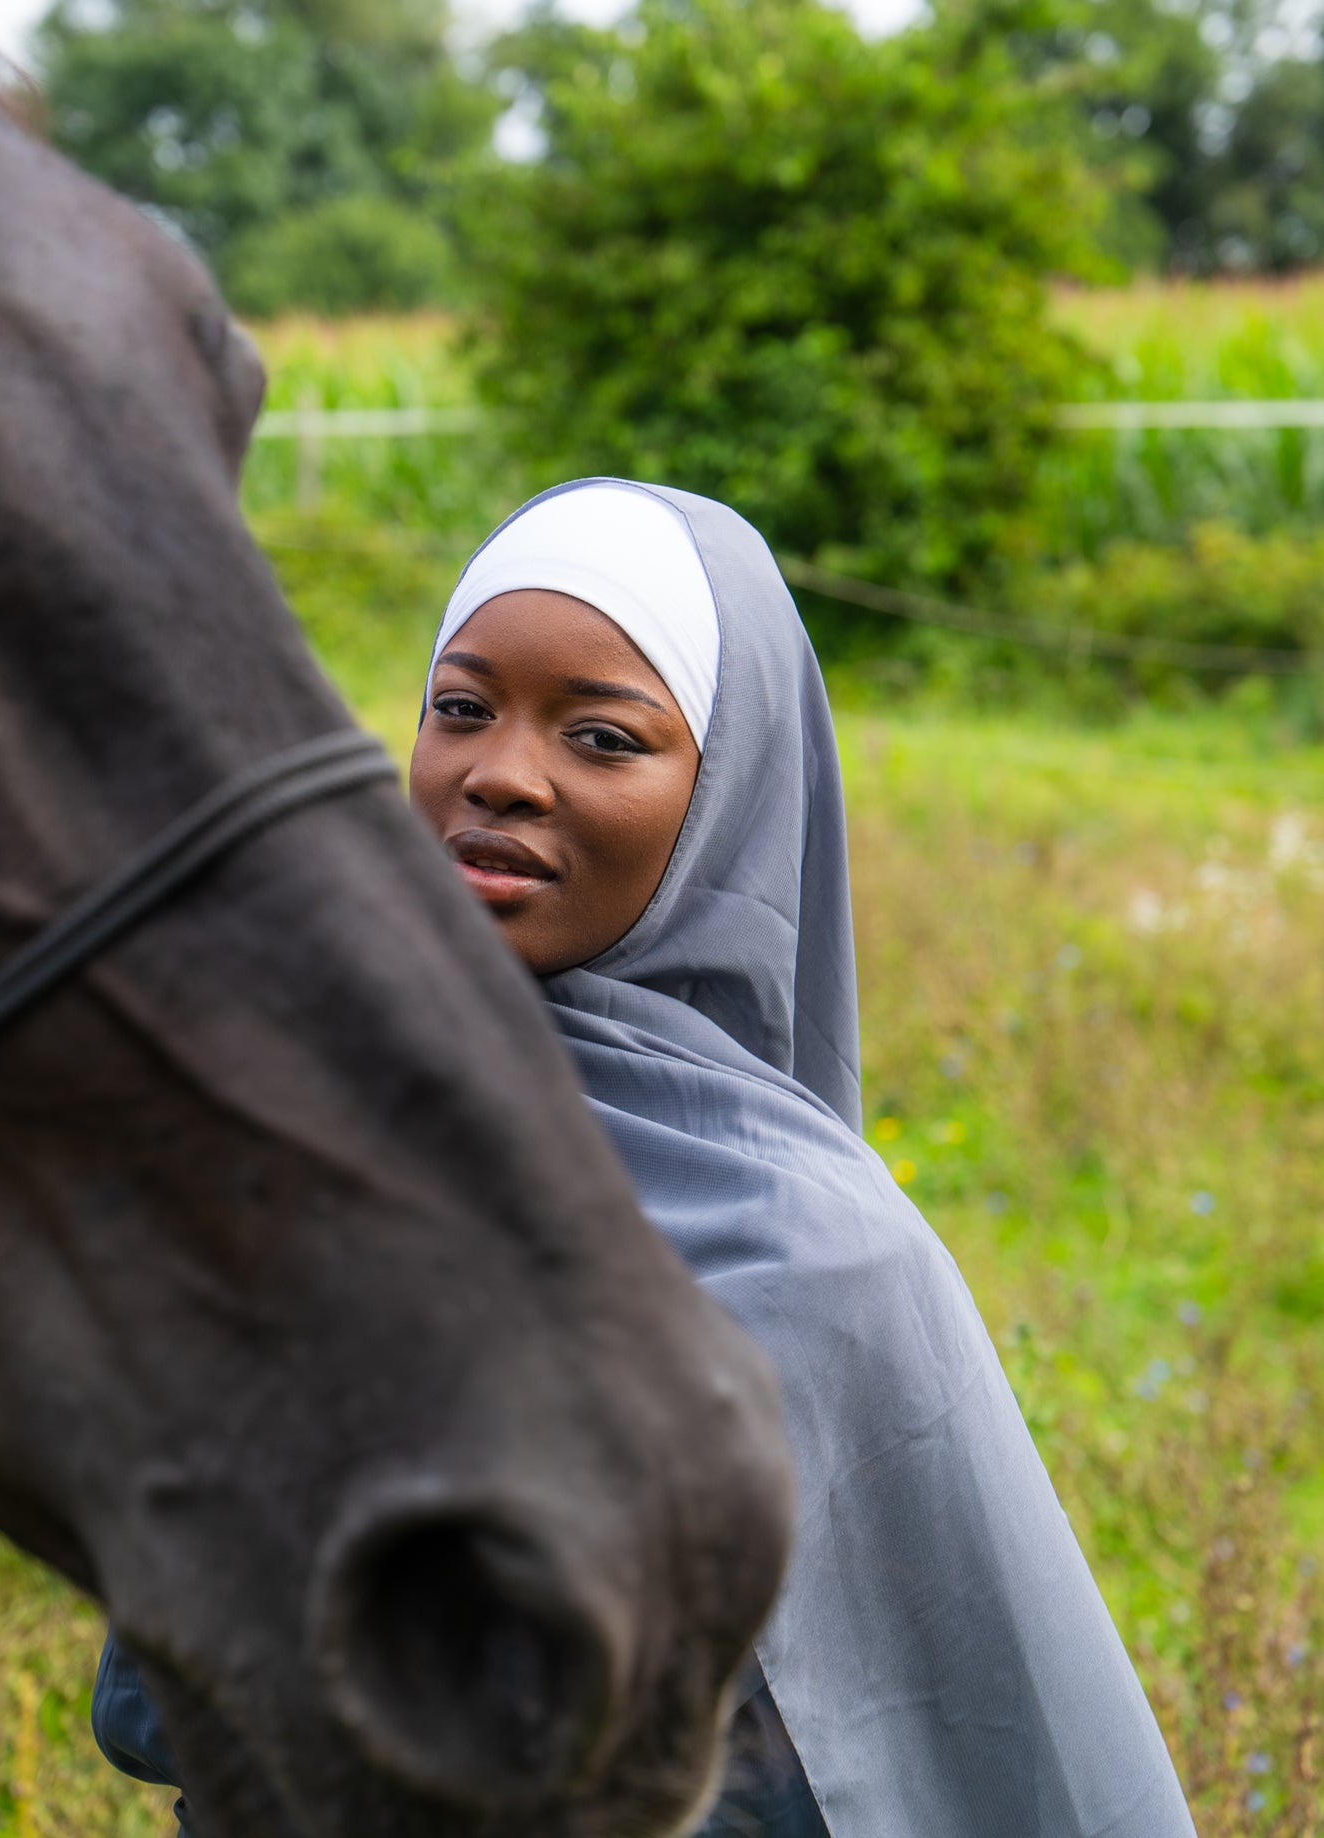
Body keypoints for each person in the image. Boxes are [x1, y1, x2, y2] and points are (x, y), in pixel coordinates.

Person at [94, 476, 1198, 1837]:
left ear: (726, 797)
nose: (500, 772)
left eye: (603, 736)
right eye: (459, 707)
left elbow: (935, 1753)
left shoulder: (819, 1263)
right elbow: (162, 1686)